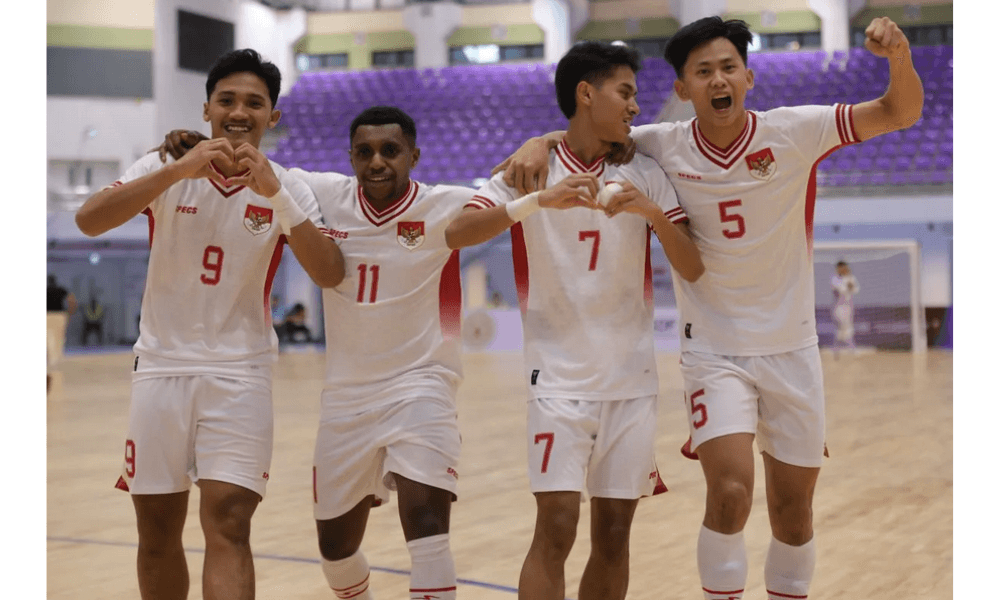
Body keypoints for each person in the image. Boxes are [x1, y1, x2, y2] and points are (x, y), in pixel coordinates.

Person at [496, 16, 923, 600]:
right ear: (682, 89)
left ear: (748, 76)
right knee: (730, 491)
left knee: (793, 512)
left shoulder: (798, 130)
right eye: (702, 72)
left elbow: (900, 112)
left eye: (728, 68)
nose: (717, 79)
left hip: (793, 347)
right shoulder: (658, 143)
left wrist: (898, 54)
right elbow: (585, 133)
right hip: (714, 349)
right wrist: (539, 141)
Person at [160, 105, 475, 599]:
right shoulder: (326, 194)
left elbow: (512, 188)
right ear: (350, 157)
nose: (376, 162)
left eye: (390, 151)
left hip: (423, 383)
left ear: (413, 156)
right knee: (335, 548)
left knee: (427, 524)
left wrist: (539, 142)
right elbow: (261, 169)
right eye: (365, 152)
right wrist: (197, 142)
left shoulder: (449, 202)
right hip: (346, 398)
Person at [74, 48, 345, 600]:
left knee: (229, 525)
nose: (240, 111)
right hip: (160, 370)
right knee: (155, 535)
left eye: (255, 102)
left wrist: (277, 195)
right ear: (206, 110)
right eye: (227, 100)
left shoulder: (287, 185)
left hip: (240, 374)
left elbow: (329, 272)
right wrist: (176, 168)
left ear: (273, 116)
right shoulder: (164, 166)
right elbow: (89, 221)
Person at [445, 42, 703, 600]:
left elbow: (695, 266)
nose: (636, 105)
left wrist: (652, 214)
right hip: (556, 382)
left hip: (631, 384)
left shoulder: (646, 173)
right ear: (587, 93)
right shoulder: (530, 169)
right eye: (626, 92)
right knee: (556, 526)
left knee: (614, 535)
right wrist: (535, 203)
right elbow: (455, 235)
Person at [830, 260, 860, 356]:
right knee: (844, 326)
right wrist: (848, 285)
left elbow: (855, 290)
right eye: (841, 268)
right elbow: (840, 290)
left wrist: (850, 282)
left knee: (845, 327)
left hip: (849, 306)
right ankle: (851, 348)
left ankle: (836, 349)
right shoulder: (835, 279)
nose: (843, 269)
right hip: (838, 306)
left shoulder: (851, 277)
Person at [47, 274, 77, 365]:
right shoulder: (61, 290)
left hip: (48, 314)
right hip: (60, 314)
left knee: (49, 336)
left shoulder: (46, 290)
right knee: (59, 336)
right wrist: (70, 311)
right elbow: (71, 299)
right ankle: (57, 357)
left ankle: (52, 357)